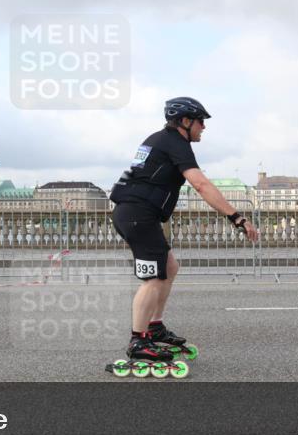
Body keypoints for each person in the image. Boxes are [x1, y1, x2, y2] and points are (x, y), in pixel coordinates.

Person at [109, 97, 259, 364]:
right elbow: (200, 184)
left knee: (170, 266)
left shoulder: (159, 139)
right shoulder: (175, 143)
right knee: (153, 278)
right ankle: (138, 341)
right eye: (201, 121)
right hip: (137, 214)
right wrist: (236, 217)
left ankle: (154, 327)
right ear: (185, 121)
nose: (204, 127)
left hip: (135, 212)